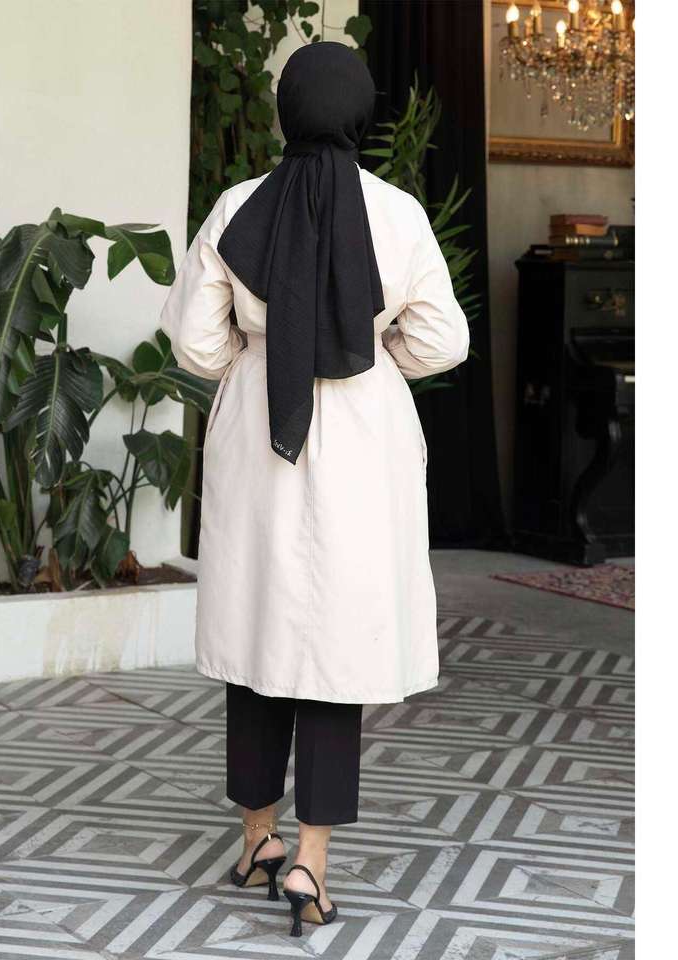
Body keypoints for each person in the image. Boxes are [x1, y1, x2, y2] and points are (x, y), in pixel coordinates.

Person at [160, 41, 469, 937]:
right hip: (362, 434)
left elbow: (197, 342)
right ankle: (311, 861)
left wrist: (258, 354)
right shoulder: (398, 214)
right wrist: (374, 354)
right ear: (362, 114)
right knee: (339, 642)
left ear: (286, 111)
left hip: (259, 427)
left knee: (259, 621)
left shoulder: (236, 205)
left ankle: (256, 838)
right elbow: (442, 339)